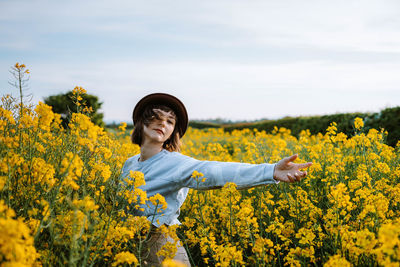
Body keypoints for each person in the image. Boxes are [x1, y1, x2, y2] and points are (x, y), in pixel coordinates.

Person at [120, 93, 312, 266]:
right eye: (156, 117)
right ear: (141, 122)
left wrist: (269, 171)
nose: (163, 123)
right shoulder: (129, 164)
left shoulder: (174, 162)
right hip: (129, 242)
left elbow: (214, 171)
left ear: (173, 132)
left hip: (160, 246)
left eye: (170, 121)